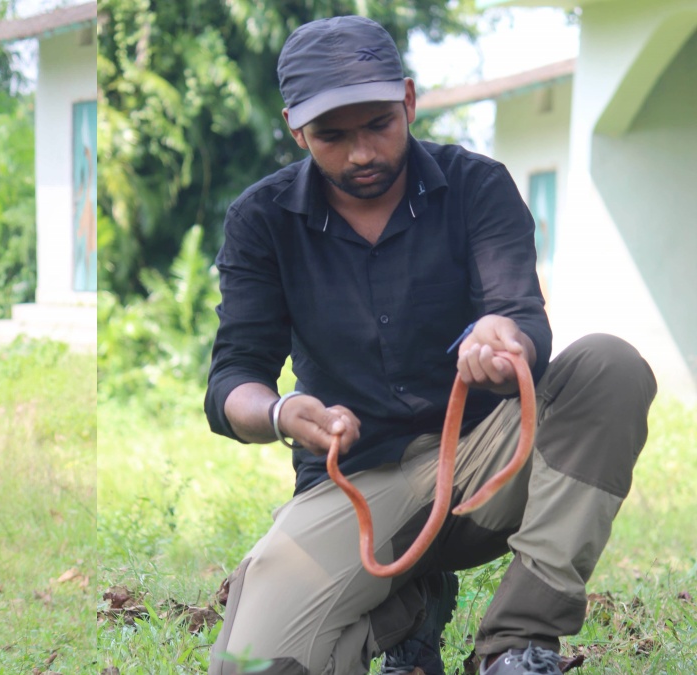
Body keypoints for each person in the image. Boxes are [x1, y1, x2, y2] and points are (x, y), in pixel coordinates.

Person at [203, 15, 656, 675]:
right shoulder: (260, 219)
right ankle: (407, 609)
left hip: (485, 467)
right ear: (295, 127)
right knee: (249, 664)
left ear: (409, 101)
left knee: (609, 366)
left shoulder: (477, 185)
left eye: (379, 124)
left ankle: (516, 643)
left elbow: (522, 324)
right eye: (332, 135)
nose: (361, 153)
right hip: (357, 485)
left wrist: (502, 342)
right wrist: (277, 413)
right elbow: (233, 378)